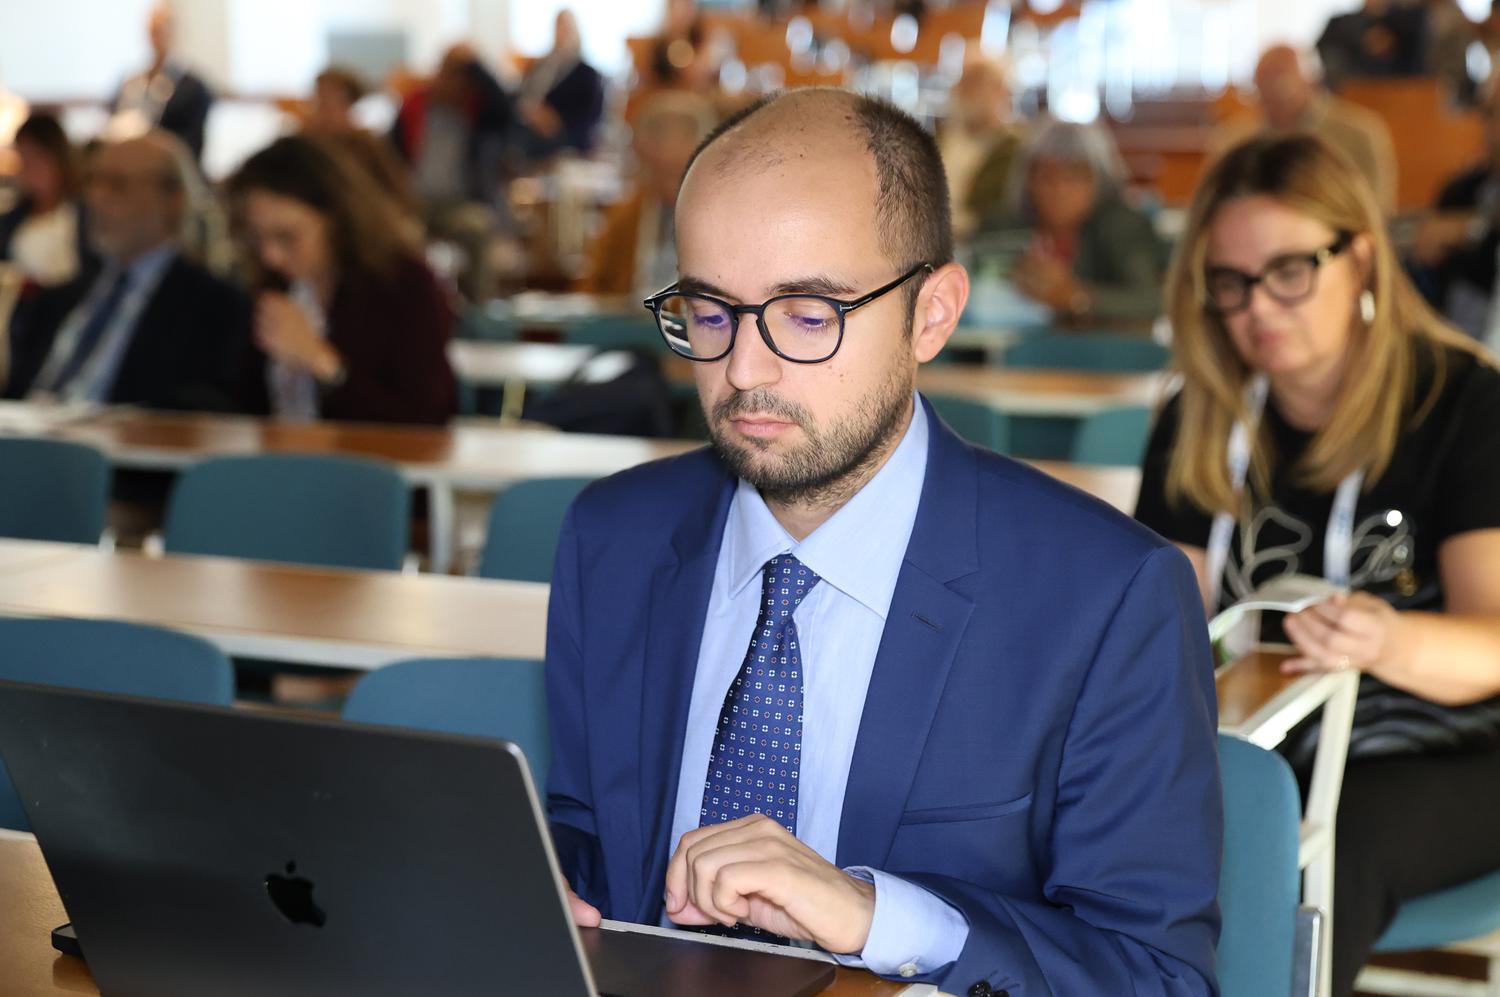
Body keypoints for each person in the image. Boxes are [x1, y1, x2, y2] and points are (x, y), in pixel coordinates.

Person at [547, 88, 1221, 994]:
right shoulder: (610, 539)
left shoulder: (1108, 597)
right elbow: (591, 836)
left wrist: (880, 916)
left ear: (932, 314)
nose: (743, 368)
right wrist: (541, 883)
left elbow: (1157, 976)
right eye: (710, 311)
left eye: (807, 313)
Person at [1134, 132, 1500, 997]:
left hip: (1456, 746)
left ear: (1361, 258)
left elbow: (1492, 641)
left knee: (1301, 855)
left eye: (1290, 271)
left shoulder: (1463, 403)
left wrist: (1388, 639)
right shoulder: (1200, 420)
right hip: (1270, 741)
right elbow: (1164, 627)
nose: (1259, 306)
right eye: (1231, 282)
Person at [3, 131, 250, 410]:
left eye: (117, 184)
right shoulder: (62, 296)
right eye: (92, 181)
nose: (96, 198)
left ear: (173, 198)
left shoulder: (215, 306)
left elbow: (202, 405)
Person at [228, 135, 456, 426]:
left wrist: (323, 363)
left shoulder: (404, 285)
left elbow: (427, 419)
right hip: (276, 454)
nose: (270, 255)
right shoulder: (273, 285)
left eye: (287, 237)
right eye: (257, 237)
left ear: (336, 220)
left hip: (366, 456)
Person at [987, 117, 1166, 326]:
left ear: (1099, 181)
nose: (1059, 190)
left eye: (1073, 177)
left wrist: (1076, 297)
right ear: (1028, 181)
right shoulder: (1003, 225)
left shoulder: (1124, 227)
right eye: (1046, 176)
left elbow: (1152, 301)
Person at [1228, 45, 1398, 215]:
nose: (1270, 93)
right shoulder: (1235, 138)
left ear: (1311, 81)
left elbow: (1378, 207)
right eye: (1261, 85)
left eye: (1281, 84)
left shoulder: (1359, 133)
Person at [575, 92, 715, 297]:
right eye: (658, 171)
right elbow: (593, 288)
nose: (668, 185)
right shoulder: (626, 216)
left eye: (677, 171)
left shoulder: (721, 220)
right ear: (643, 159)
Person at [1407, 76, 1500, 339]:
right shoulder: (1461, 190)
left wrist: (1469, 229)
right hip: (1451, 339)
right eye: (1489, 113)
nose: (1492, 126)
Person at [304, 66, 421, 226]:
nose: (326, 109)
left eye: (333, 99)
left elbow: (396, 190)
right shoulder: (306, 140)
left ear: (348, 103)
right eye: (320, 99)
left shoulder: (365, 142)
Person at [107, 4, 214, 163]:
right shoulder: (130, 82)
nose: (158, 37)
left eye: (163, 29)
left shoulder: (193, 88)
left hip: (166, 167)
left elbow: (192, 145)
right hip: (127, 163)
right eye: (153, 31)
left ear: (175, 32)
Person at [937, 54, 1023, 242]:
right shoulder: (941, 138)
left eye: (976, 81)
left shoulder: (1013, 147)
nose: (965, 89)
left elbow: (994, 211)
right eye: (964, 80)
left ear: (1001, 90)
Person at [0, 112, 90, 288]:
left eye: (37, 157)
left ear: (58, 157)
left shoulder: (85, 215)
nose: (29, 168)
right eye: (23, 159)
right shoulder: (12, 219)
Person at [515, 10, 605, 158]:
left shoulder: (586, 73)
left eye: (567, 26)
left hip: (563, 135)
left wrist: (554, 122)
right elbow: (523, 95)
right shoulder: (540, 65)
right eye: (559, 25)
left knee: (521, 143)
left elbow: (591, 117)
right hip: (527, 124)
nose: (562, 31)